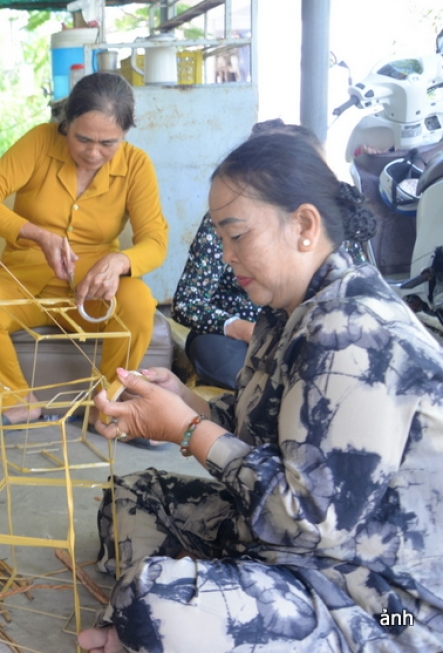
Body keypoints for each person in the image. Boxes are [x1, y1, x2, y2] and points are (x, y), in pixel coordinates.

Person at [79, 133, 443, 653]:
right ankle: (165, 622)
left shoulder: (353, 329)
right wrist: (188, 402)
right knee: (133, 498)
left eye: (237, 235)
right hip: (298, 556)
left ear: (304, 226)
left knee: (158, 604)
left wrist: (185, 429)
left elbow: (304, 519)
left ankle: (157, 621)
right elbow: (266, 430)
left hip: (388, 603)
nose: (226, 256)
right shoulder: (284, 308)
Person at [0, 72, 168, 433]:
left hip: (95, 293)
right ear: (65, 124)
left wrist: (120, 261)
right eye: (82, 138)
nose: (93, 152)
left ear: (126, 135)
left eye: (108, 143)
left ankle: (107, 408)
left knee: (139, 303)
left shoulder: (136, 165)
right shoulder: (39, 141)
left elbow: (156, 241)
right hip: (23, 281)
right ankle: (17, 403)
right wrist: (36, 234)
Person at [172, 119, 365, 390]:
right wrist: (246, 331)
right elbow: (187, 302)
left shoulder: (347, 319)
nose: (228, 255)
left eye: (238, 236)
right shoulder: (276, 315)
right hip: (240, 339)